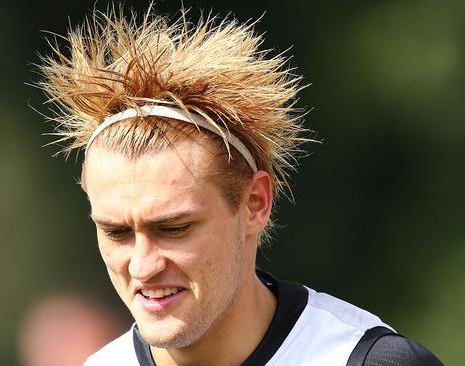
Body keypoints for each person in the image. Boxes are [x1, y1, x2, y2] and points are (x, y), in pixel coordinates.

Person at [36, 5, 444, 366]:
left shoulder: (364, 360)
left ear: (255, 204)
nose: (143, 265)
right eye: (116, 232)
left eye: (174, 228)